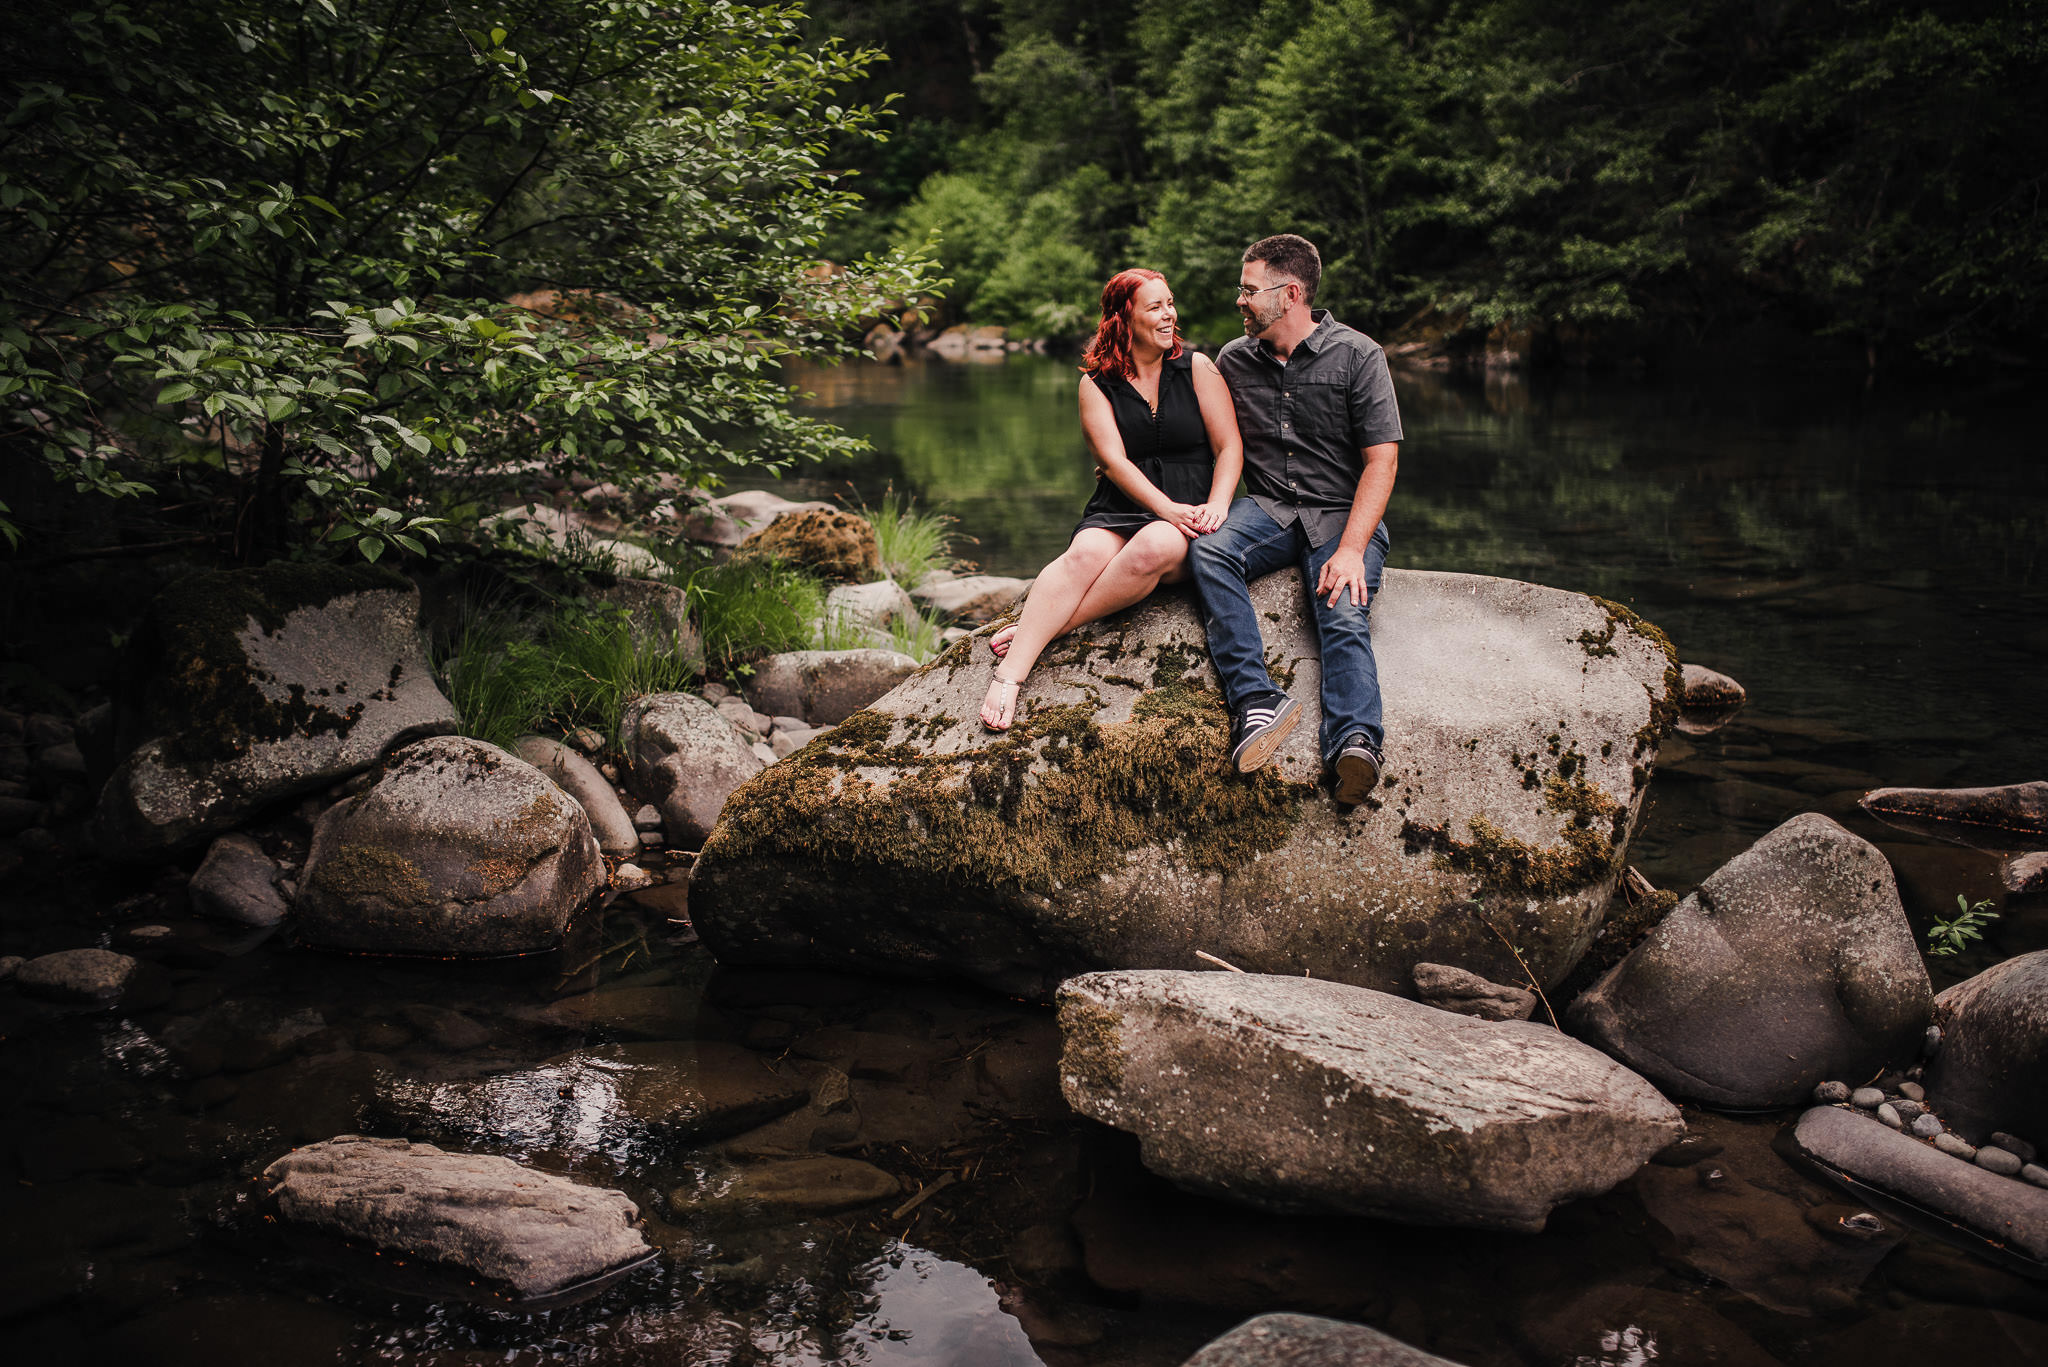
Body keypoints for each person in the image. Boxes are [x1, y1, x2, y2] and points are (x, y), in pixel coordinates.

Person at [1188, 233, 1403, 804]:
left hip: (1340, 514)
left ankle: (1355, 743)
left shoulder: (1359, 355)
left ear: (1292, 293)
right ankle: (1257, 702)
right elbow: (1191, 427)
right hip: (1268, 511)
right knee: (1209, 551)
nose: (1240, 300)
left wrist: (1353, 547)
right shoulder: (1233, 360)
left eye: (1249, 289)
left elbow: (1382, 462)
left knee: (1340, 609)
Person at [981, 268, 1244, 730]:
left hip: (1191, 511)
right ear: (1124, 317)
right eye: (1155, 307)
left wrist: (1219, 504)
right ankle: (1010, 675)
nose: (1169, 316)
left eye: (1170, 304)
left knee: (1156, 546)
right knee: (1083, 554)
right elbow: (1114, 461)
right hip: (1122, 504)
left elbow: (1229, 447)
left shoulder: (1197, 367)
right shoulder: (1097, 383)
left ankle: (1036, 635)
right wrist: (1163, 507)